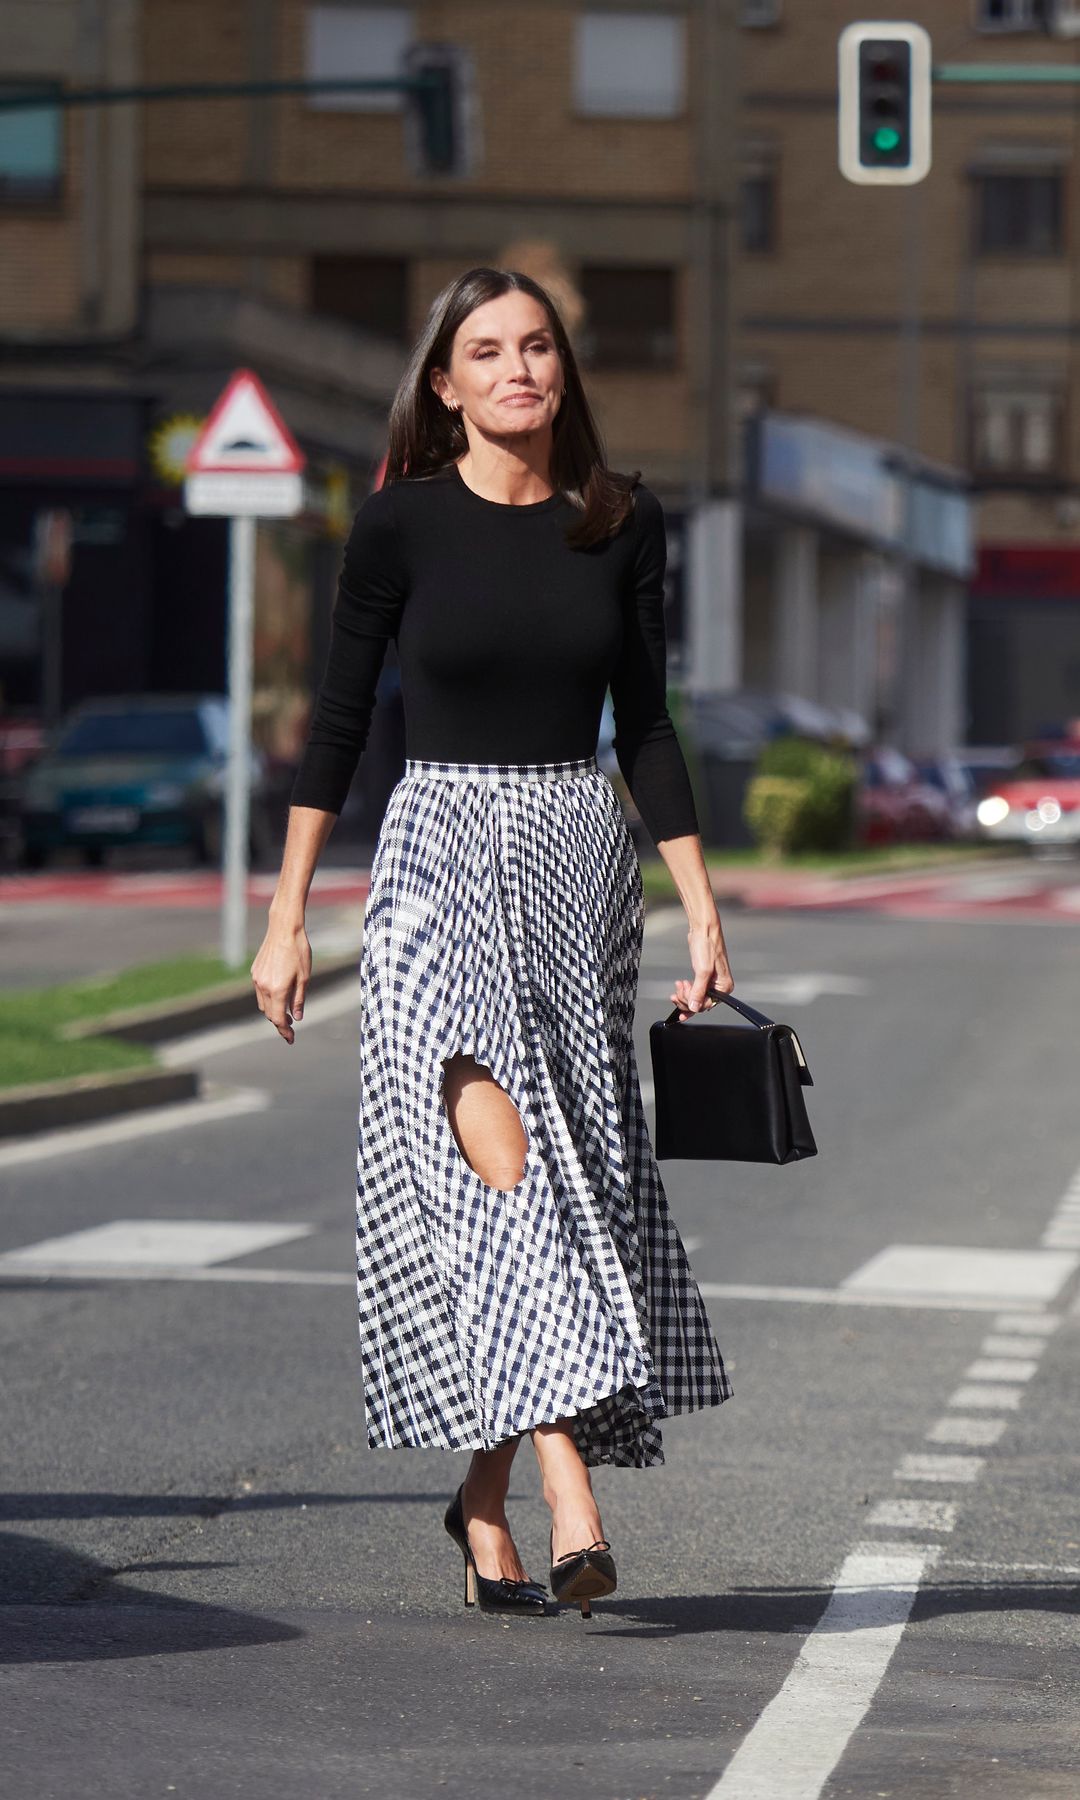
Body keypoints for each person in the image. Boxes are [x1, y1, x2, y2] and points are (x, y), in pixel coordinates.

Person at [251, 266, 735, 1620]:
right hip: (434, 867)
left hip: (580, 862)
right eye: (487, 350)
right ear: (446, 383)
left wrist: (700, 900)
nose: (519, 368)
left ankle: (480, 1502)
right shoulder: (399, 525)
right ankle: (571, 1484)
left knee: (566, 1178)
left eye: (539, 346)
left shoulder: (622, 523)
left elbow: (644, 721)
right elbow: (336, 726)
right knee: (503, 1170)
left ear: (562, 372)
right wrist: (284, 919)